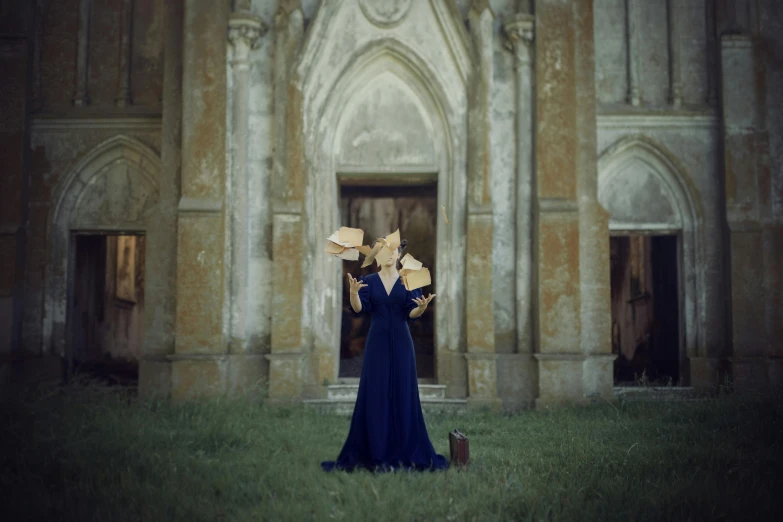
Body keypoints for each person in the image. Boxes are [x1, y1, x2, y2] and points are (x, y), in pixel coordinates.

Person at [321, 239, 449, 473]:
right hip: (376, 343)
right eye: (384, 251)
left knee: (404, 393)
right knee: (376, 394)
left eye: (394, 250)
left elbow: (411, 313)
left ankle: (406, 451)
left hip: (402, 343)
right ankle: (376, 452)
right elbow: (360, 309)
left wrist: (420, 308)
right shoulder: (368, 281)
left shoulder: (410, 279)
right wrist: (352, 294)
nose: (390, 254)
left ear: (400, 254)